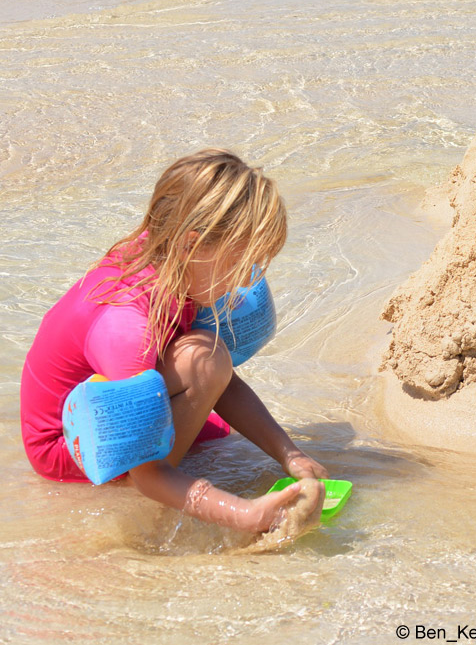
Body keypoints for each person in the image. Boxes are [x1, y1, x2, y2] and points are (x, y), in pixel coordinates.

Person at [20, 149, 327, 531]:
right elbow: (147, 476)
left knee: (210, 372)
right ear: (190, 244)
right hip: (75, 444)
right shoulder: (126, 330)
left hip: (120, 396)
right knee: (204, 359)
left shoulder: (167, 257)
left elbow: (223, 381)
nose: (247, 281)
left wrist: (291, 456)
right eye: (239, 262)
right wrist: (245, 514)